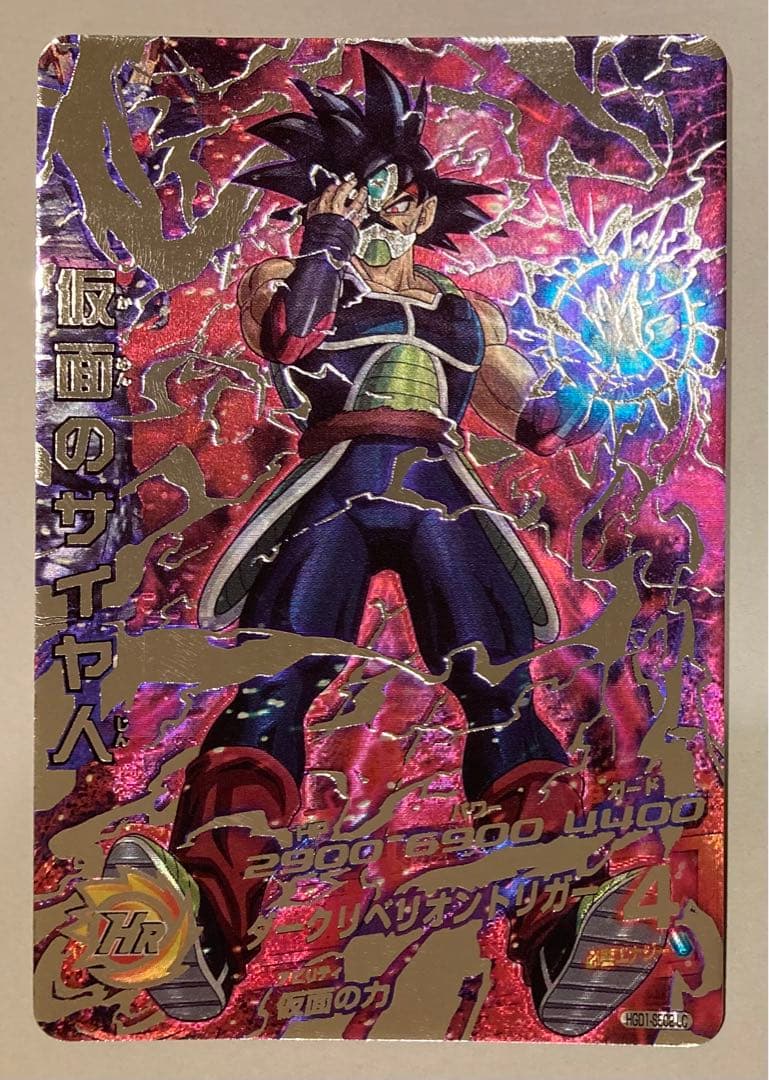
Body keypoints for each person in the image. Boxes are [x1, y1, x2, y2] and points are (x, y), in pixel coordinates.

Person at [103, 52, 662, 1034]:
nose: (367, 204)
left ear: (418, 203)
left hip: (443, 489)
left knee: (500, 695)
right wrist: (324, 241)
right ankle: (205, 921)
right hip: (336, 481)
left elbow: (535, 424)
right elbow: (290, 337)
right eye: (343, 186)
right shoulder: (290, 273)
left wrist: (614, 370)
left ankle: (561, 930)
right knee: (274, 686)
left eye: (381, 186)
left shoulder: (466, 313)